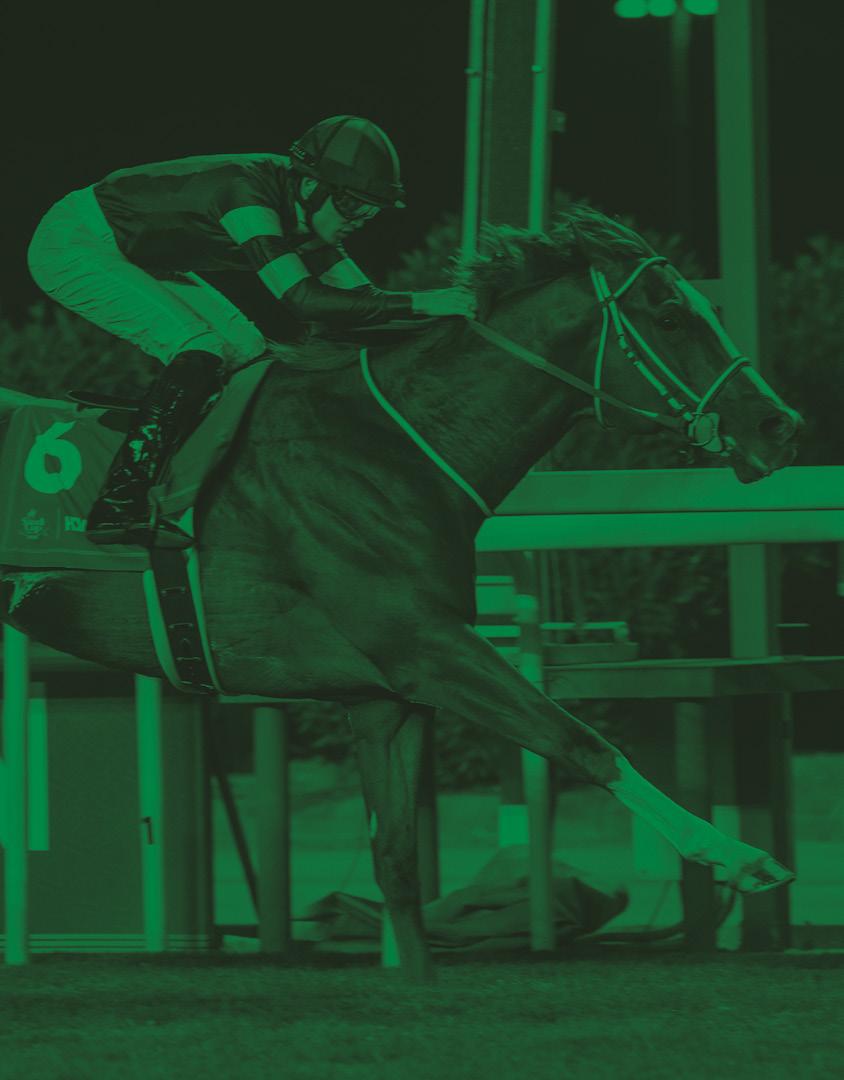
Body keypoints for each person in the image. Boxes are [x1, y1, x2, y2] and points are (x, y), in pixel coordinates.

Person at [27, 115, 476, 548]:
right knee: (200, 348)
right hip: (75, 241)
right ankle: (118, 504)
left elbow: (364, 304)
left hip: (139, 252)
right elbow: (302, 299)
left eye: (371, 210)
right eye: (352, 204)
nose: (358, 218)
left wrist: (456, 324)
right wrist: (426, 301)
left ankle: (207, 481)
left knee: (249, 353)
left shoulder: (309, 216)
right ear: (311, 187)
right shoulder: (246, 195)